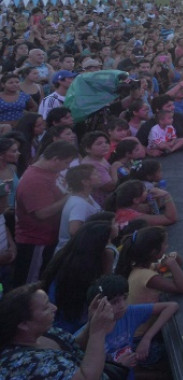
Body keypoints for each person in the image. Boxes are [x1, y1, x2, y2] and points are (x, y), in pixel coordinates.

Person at [0, 282, 116, 380]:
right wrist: (98, 331)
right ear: (24, 324)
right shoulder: (25, 362)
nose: (54, 308)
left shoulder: (47, 332)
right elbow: (86, 377)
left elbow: (74, 345)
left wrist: (91, 323)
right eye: (45, 308)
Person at [79, 274, 179, 375]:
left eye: (125, 298)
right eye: (115, 302)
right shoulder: (83, 337)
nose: (122, 305)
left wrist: (146, 338)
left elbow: (172, 306)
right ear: (98, 306)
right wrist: (118, 365)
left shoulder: (128, 314)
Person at [13, 140, 81, 286]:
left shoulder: (50, 172)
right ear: (55, 159)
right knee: (31, 284)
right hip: (36, 243)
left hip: (48, 240)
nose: (67, 167)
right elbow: (42, 213)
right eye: (66, 163)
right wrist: (69, 197)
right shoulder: (35, 180)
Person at [40, 220, 117, 334]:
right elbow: (106, 294)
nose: (112, 247)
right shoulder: (81, 272)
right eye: (108, 242)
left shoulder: (66, 256)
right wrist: (108, 262)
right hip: (66, 329)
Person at [115, 226, 183, 304]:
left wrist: (174, 257)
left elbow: (178, 263)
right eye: (165, 244)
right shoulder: (145, 276)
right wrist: (172, 263)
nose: (167, 246)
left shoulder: (141, 266)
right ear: (153, 252)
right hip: (150, 316)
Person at [57, 164, 103, 250]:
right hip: (73, 253)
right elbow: (74, 231)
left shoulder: (87, 196)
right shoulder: (79, 203)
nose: (99, 175)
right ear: (85, 182)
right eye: (95, 174)